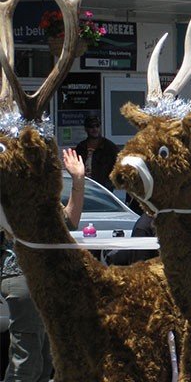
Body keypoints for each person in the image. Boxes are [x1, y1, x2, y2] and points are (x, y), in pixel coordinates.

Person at [1, 148, 83, 381]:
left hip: (47, 279)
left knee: (47, 361)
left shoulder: (41, 195)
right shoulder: (12, 192)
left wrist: (78, 179)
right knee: (27, 361)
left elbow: (70, 221)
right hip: (23, 277)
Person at [75, 116, 119, 192]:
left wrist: (109, 183)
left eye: (97, 126)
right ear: (86, 129)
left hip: (103, 189)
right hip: (85, 187)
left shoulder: (109, 147)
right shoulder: (81, 147)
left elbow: (118, 166)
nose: (95, 129)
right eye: (91, 126)